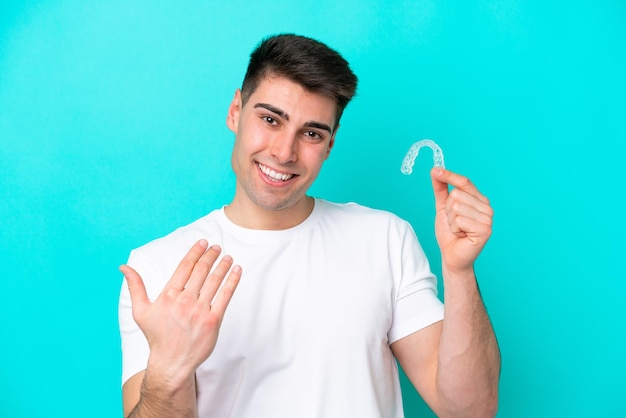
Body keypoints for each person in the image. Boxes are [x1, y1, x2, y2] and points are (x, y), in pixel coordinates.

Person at [118, 33, 500, 418]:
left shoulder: (384, 239)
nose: (284, 152)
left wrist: (459, 270)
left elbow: (469, 410)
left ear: (330, 144)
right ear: (235, 110)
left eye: (312, 133)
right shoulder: (158, 267)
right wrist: (169, 370)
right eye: (270, 119)